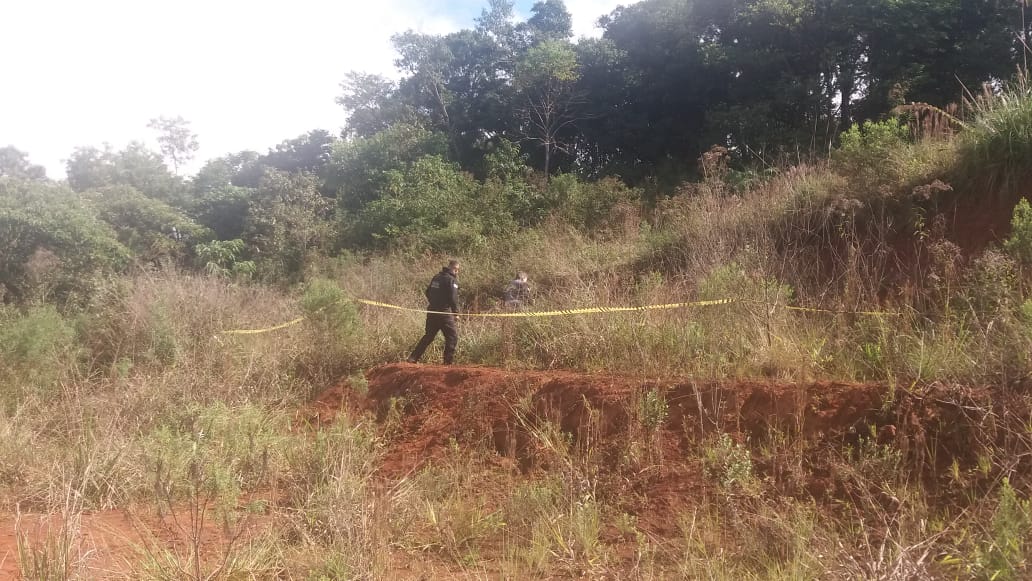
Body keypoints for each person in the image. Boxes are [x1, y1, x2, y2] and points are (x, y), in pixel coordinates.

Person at [407, 260, 460, 364]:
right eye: (457, 270)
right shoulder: (452, 280)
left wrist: (434, 303)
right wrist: (456, 313)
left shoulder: (436, 277)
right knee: (452, 337)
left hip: (432, 311)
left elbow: (427, 292)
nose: (457, 272)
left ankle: (413, 358)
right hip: (444, 313)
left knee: (429, 336)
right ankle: (447, 363)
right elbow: (453, 298)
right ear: (455, 269)